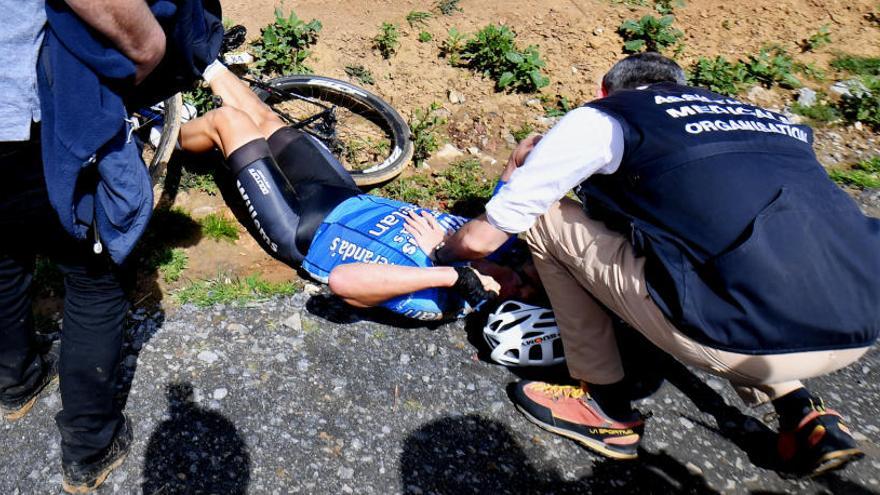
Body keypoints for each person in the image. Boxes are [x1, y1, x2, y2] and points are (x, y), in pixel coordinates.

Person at [408, 52, 880, 475]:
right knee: (738, 257)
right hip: (858, 325)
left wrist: (445, 247)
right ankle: (802, 409)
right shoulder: (767, 120)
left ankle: (606, 407)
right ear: (680, 86)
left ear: (603, 91)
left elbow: (491, 232)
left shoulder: (604, 117)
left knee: (543, 219)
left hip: (737, 338)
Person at [177, 63, 542, 321]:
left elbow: (344, 282)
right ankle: (201, 58)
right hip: (343, 197)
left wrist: (450, 275)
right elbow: (510, 188)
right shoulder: (495, 241)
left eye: (516, 295)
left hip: (301, 228)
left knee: (230, 123)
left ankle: (167, 138)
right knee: (269, 121)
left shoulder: (442, 299)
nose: (514, 282)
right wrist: (521, 158)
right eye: (525, 278)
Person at [0, 1, 167, 493]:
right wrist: (148, 48)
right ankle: (89, 448)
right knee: (95, 275)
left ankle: (15, 381)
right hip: (30, 118)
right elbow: (134, 34)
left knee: (4, 252)